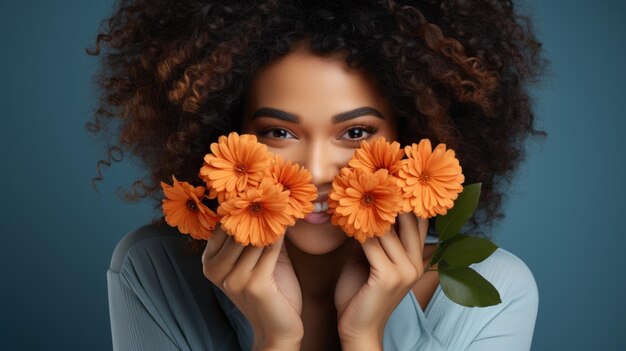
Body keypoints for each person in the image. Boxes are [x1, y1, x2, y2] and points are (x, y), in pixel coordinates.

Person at [87, 1, 547, 350]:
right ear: (226, 134)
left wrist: (365, 335)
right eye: (280, 131)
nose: (316, 170)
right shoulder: (154, 270)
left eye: (356, 132)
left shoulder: (497, 290)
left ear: (411, 138)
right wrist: (274, 338)